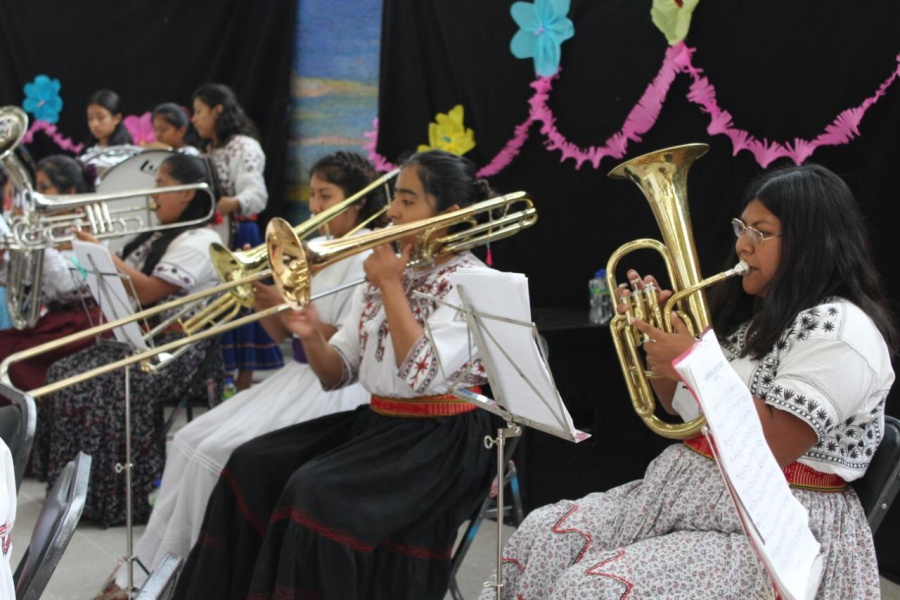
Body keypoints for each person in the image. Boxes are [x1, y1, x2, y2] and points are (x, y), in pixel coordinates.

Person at [481, 163, 897, 599]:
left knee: (592, 589)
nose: (742, 245)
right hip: (695, 497)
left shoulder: (842, 332)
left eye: (761, 232)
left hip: (778, 525)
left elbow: (773, 447)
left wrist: (693, 362)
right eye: (742, 227)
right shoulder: (764, 321)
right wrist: (660, 344)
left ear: (812, 242)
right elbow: (685, 411)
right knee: (541, 535)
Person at [173, 149, 502, 599]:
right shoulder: (385, 272)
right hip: (382, 424)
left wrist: (389, 285)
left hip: (442, 438)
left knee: (315, 493)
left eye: (407, 201)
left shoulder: (473, 280)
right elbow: (337, 373)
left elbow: (422, 373)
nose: (392, 212)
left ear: (450, 213)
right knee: (252, 464)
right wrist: (310, 334)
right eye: (394, 199)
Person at [109, 151, 388, 592]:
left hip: (333, 385)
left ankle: (199, 577)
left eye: (325, 196)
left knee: (217, 454)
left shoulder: (369, 254)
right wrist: (258, 295)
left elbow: (351, 339)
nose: (313, 206)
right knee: (186, 440)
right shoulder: (315, 250)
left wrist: (293, 311)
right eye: (313, 194)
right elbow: (281, 332)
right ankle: (154, 570)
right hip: (297, 376)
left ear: (354, 204)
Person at [32, 153, 225, 528]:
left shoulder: (201, 240)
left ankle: (118, 496)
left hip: (176, 353)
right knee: (61, 373)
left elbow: (150, 291)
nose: (153, 197)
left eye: (162, 187)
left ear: (187, 195)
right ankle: (72, 494)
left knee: (98, 384)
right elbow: (123, 287)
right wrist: (92, 259)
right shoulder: (157, 234)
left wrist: (103, 255)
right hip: (142, 341)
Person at [191, 82, 282, 391]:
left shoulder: (243, 146)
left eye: (200, 111)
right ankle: (222, 382)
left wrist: (228, 203)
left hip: (240, 232)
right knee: (221, 307)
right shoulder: (207, 150)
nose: (195, 119)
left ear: (218, 110)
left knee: (243, 306)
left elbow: (256, 194)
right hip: (216, 235)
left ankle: (241, 386)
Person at [0, 155, 100, 391]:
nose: (35, 195)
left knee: (7, 358)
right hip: (53, 323)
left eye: (44, 188)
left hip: (83, 326)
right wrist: (8, 257)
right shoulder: (50, 229)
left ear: (70, 191)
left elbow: (67, 286)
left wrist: (38, 242)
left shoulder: (89, 227)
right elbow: (22, 281)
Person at [79, 90, 137, 179]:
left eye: (100, 118)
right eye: (90, 118)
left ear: (117, 118)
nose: (94, 124)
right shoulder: (87, 152)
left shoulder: (127, 152)